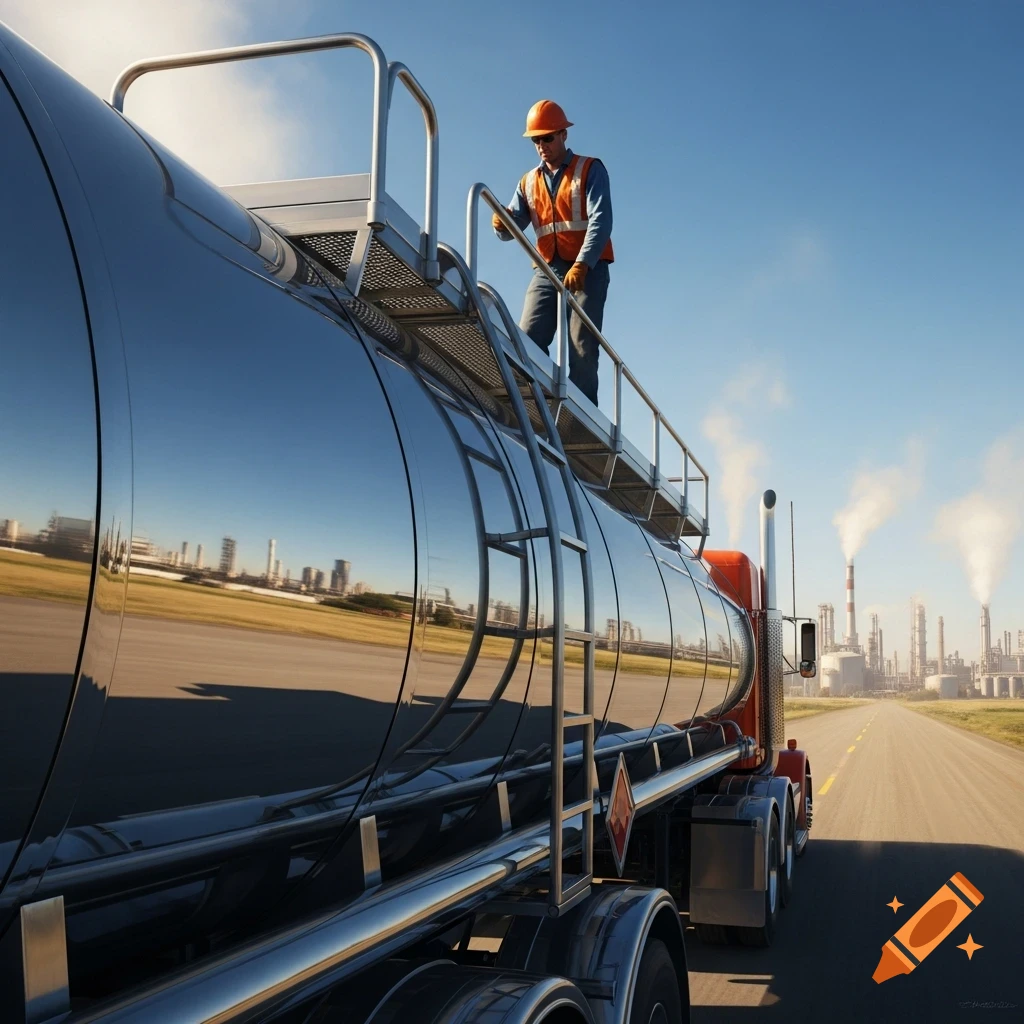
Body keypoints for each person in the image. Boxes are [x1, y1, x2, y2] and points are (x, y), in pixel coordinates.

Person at [492, 100, 613, 405]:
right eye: (536, 140)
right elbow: (510, 229)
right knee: (528, 337)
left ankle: (581, 417)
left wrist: (583, 264)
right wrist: (501, 223)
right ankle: (536, 407)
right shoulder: (528, 182)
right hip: (546, 270)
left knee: (581, 346)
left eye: (547, 137)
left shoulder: (589, 169)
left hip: (588, 270)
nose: (542, 145)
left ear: (563, 135)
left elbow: (602, 220)